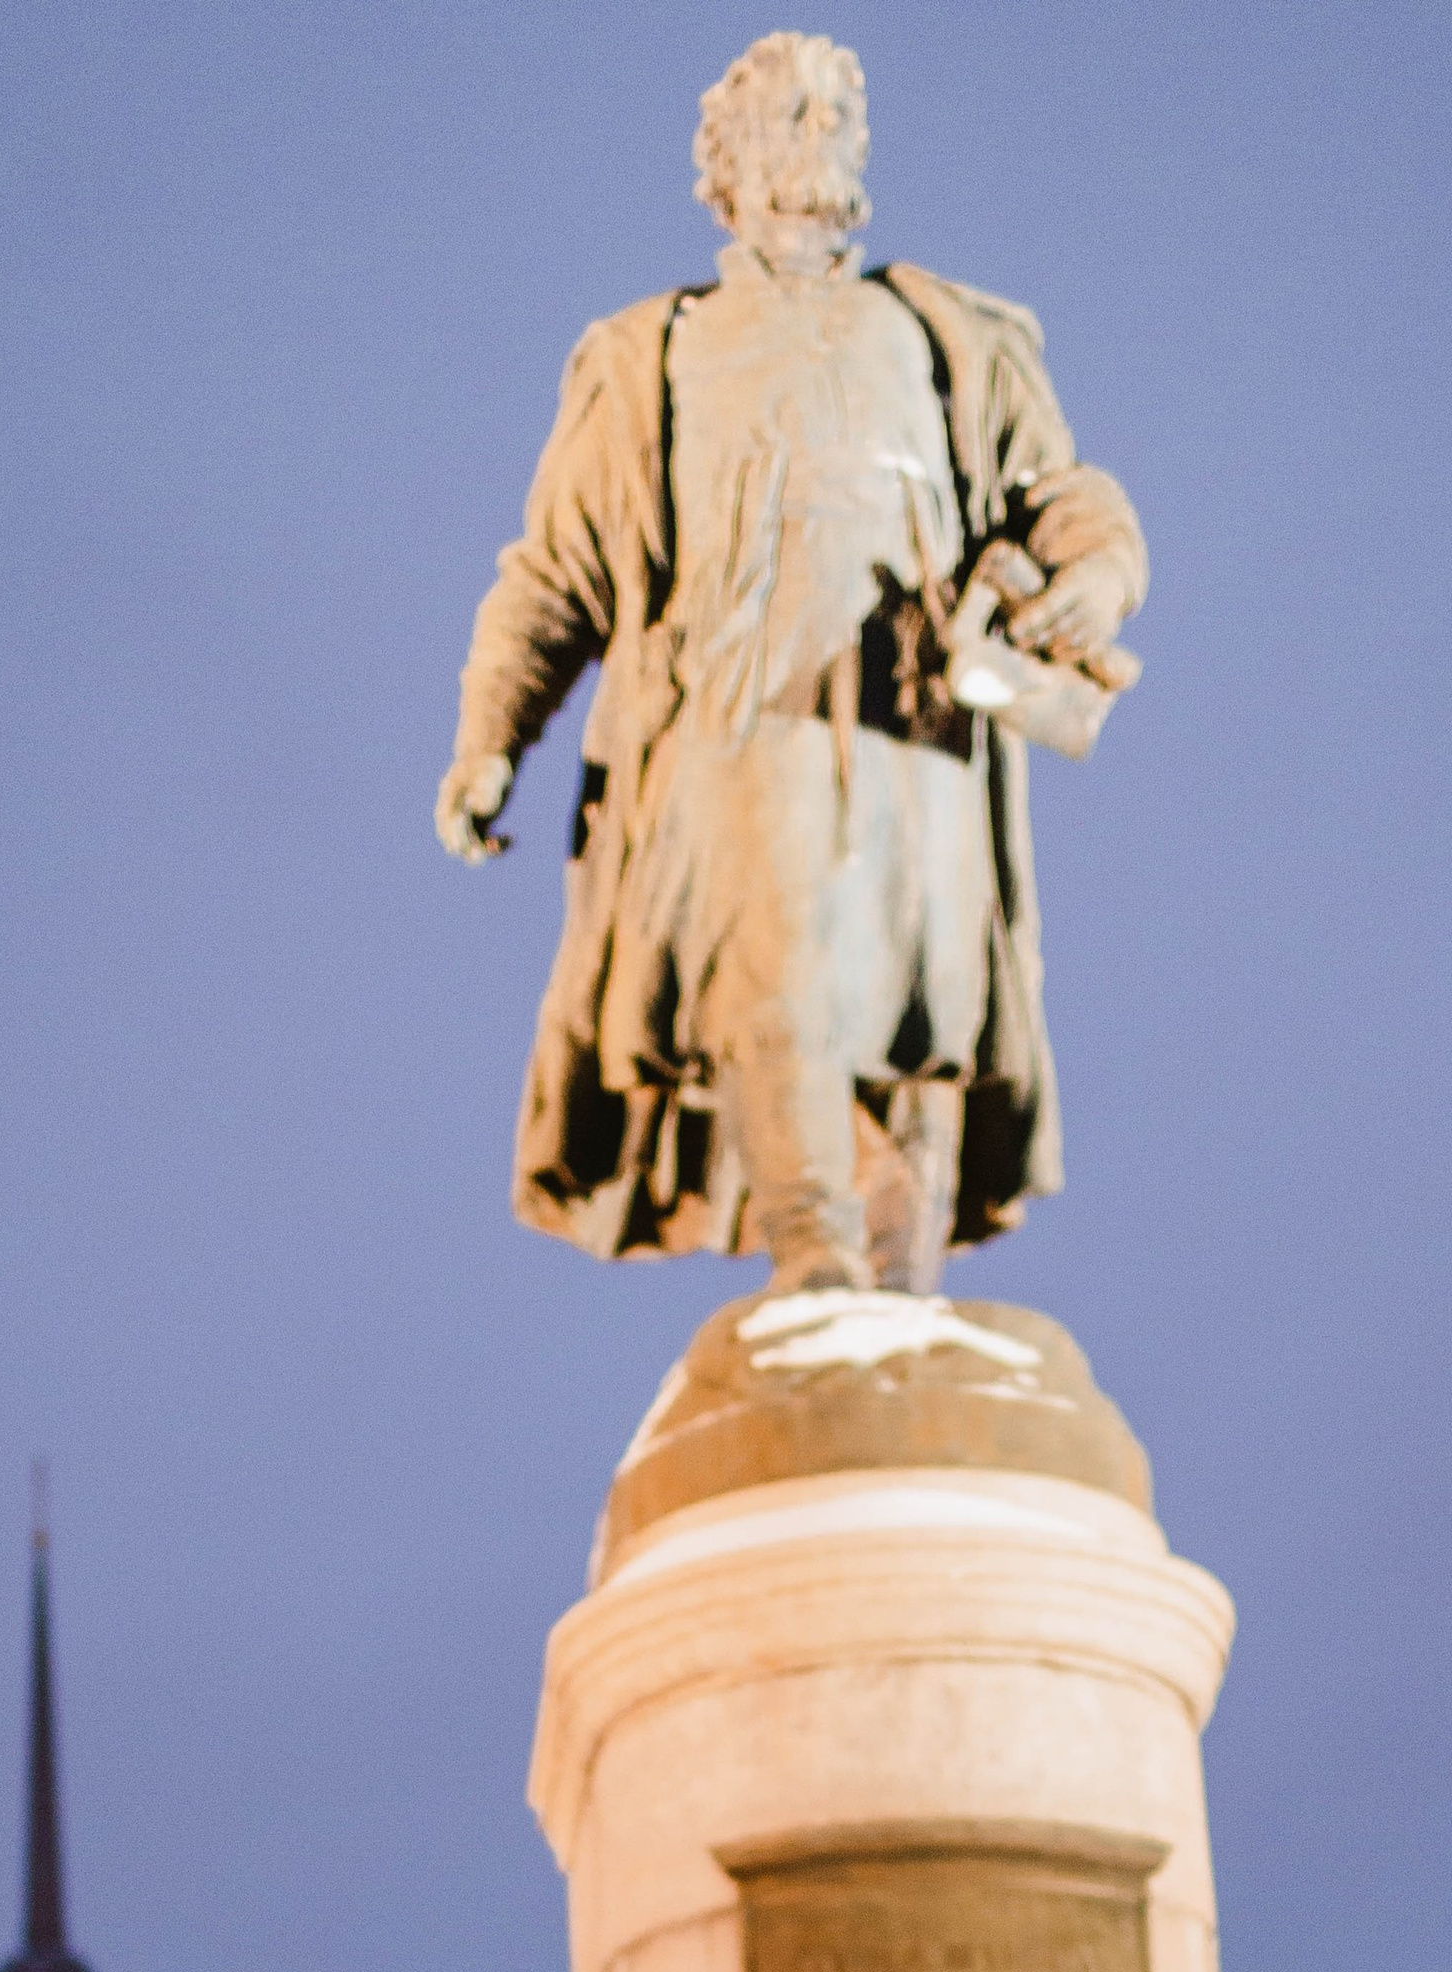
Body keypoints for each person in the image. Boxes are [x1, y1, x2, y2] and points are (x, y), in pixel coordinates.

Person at [438, 32, 1147, 1296]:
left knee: (923, 1027)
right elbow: (555, 574)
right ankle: (818, 1276)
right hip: (732, 727)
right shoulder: (648, 354)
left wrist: (1093, 583)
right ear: (728, 156)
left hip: (914, 731)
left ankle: (894, 1303)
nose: (821, 135)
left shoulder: (947, 335)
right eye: (792, 114)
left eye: (839, 114)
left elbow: (1065, 500)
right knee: (776, 982)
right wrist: (491, 733)